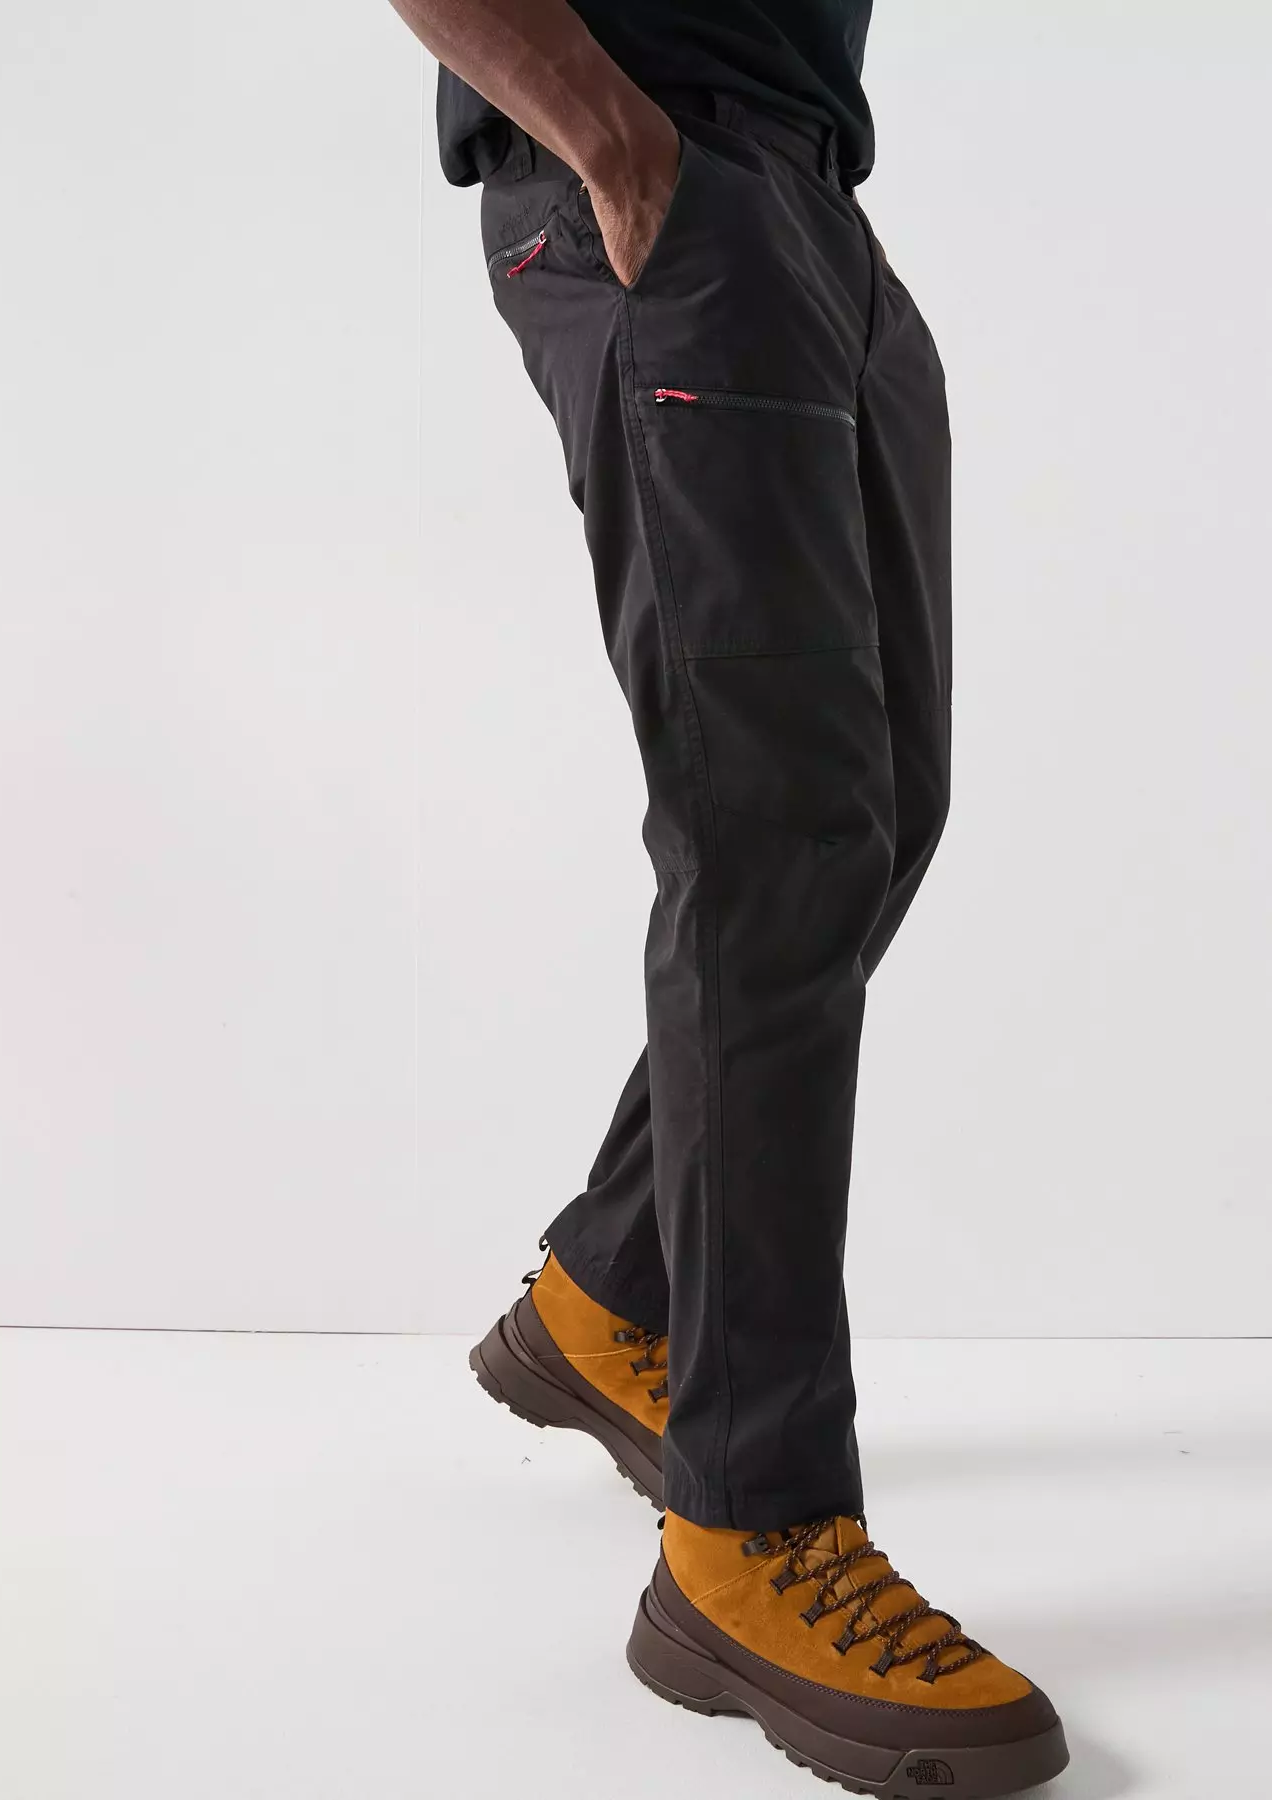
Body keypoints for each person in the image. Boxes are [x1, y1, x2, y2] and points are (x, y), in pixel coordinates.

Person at [388, 2, 1069, 1793]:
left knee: (868, 815)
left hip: (804, 204)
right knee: (768, 838)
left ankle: (612, 1291)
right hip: (658, 170)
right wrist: (622, 149)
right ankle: (746, 1528)